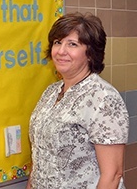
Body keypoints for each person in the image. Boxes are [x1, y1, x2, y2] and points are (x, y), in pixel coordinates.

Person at [26, 12, 129, 189]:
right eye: (58, 42)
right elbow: (41, 158)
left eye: (72, 44)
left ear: (90, 53)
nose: (61, 51)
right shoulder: (51, 92)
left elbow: (112, 175)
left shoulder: (103, 98)